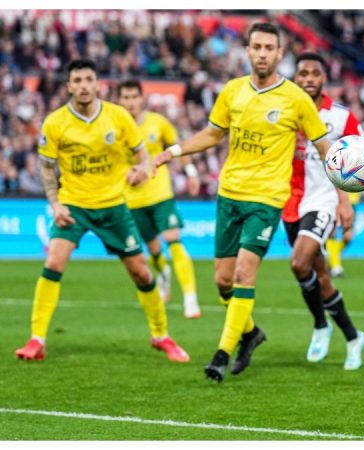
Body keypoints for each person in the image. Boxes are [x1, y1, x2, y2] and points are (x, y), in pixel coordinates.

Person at [153, 23, 335, 382]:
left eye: (270, 47)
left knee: (242, 274)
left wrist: (344, 192)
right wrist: (170, 153)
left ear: (280, 54)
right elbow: (212, 134)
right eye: (257, 47)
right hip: (229, 195)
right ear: (248, 51)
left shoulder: (296, 99)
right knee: (222, 281)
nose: (263, 53)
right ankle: (251, 333)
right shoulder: (233, 91)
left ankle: (221, 354)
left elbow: (324, 146)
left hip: (266, 200)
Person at [15, 59, 189, 363]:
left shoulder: (118, 116)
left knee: (141, 272)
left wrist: (140, 171)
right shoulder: (55, 122)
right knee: (54, 262)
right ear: (69, 85)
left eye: (88, 79)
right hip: (74, 206)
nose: (83, 85)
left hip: (113, 206)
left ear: (98, 84)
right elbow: (46, 167)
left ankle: (161, 335)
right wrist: (56, 204)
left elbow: (141, 155)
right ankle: (37, 339)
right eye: (77, 80)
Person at [282, 52, 364, 370]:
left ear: (323, 79)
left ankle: (320, 326)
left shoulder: (342, 117)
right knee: (319, 277)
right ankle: (354, 337)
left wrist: (345, 203)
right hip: (288, 202)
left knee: (298, 262)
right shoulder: (284, 111)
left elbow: (356, 163)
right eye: (302, 73)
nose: (307, 79)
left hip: (322, 201)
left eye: (314, 73)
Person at [117, 80, 201, 319]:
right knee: (153, 249)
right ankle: (164, 276)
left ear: (141, 98)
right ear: (119, 100)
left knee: (173, 239)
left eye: (134, 97)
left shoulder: (158, 122)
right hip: (133, 199)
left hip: (161, 193)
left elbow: (177, 148)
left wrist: (191, 173)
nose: (131, 102)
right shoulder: (115, 127)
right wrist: (127, 173)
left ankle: (190, 298)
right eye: (126, 97)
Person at [326, 190, 361, 278]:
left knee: (348, 237)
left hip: (351, 201)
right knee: (331, 232)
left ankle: (332, 258)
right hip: (334, 199)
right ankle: (336, 265)